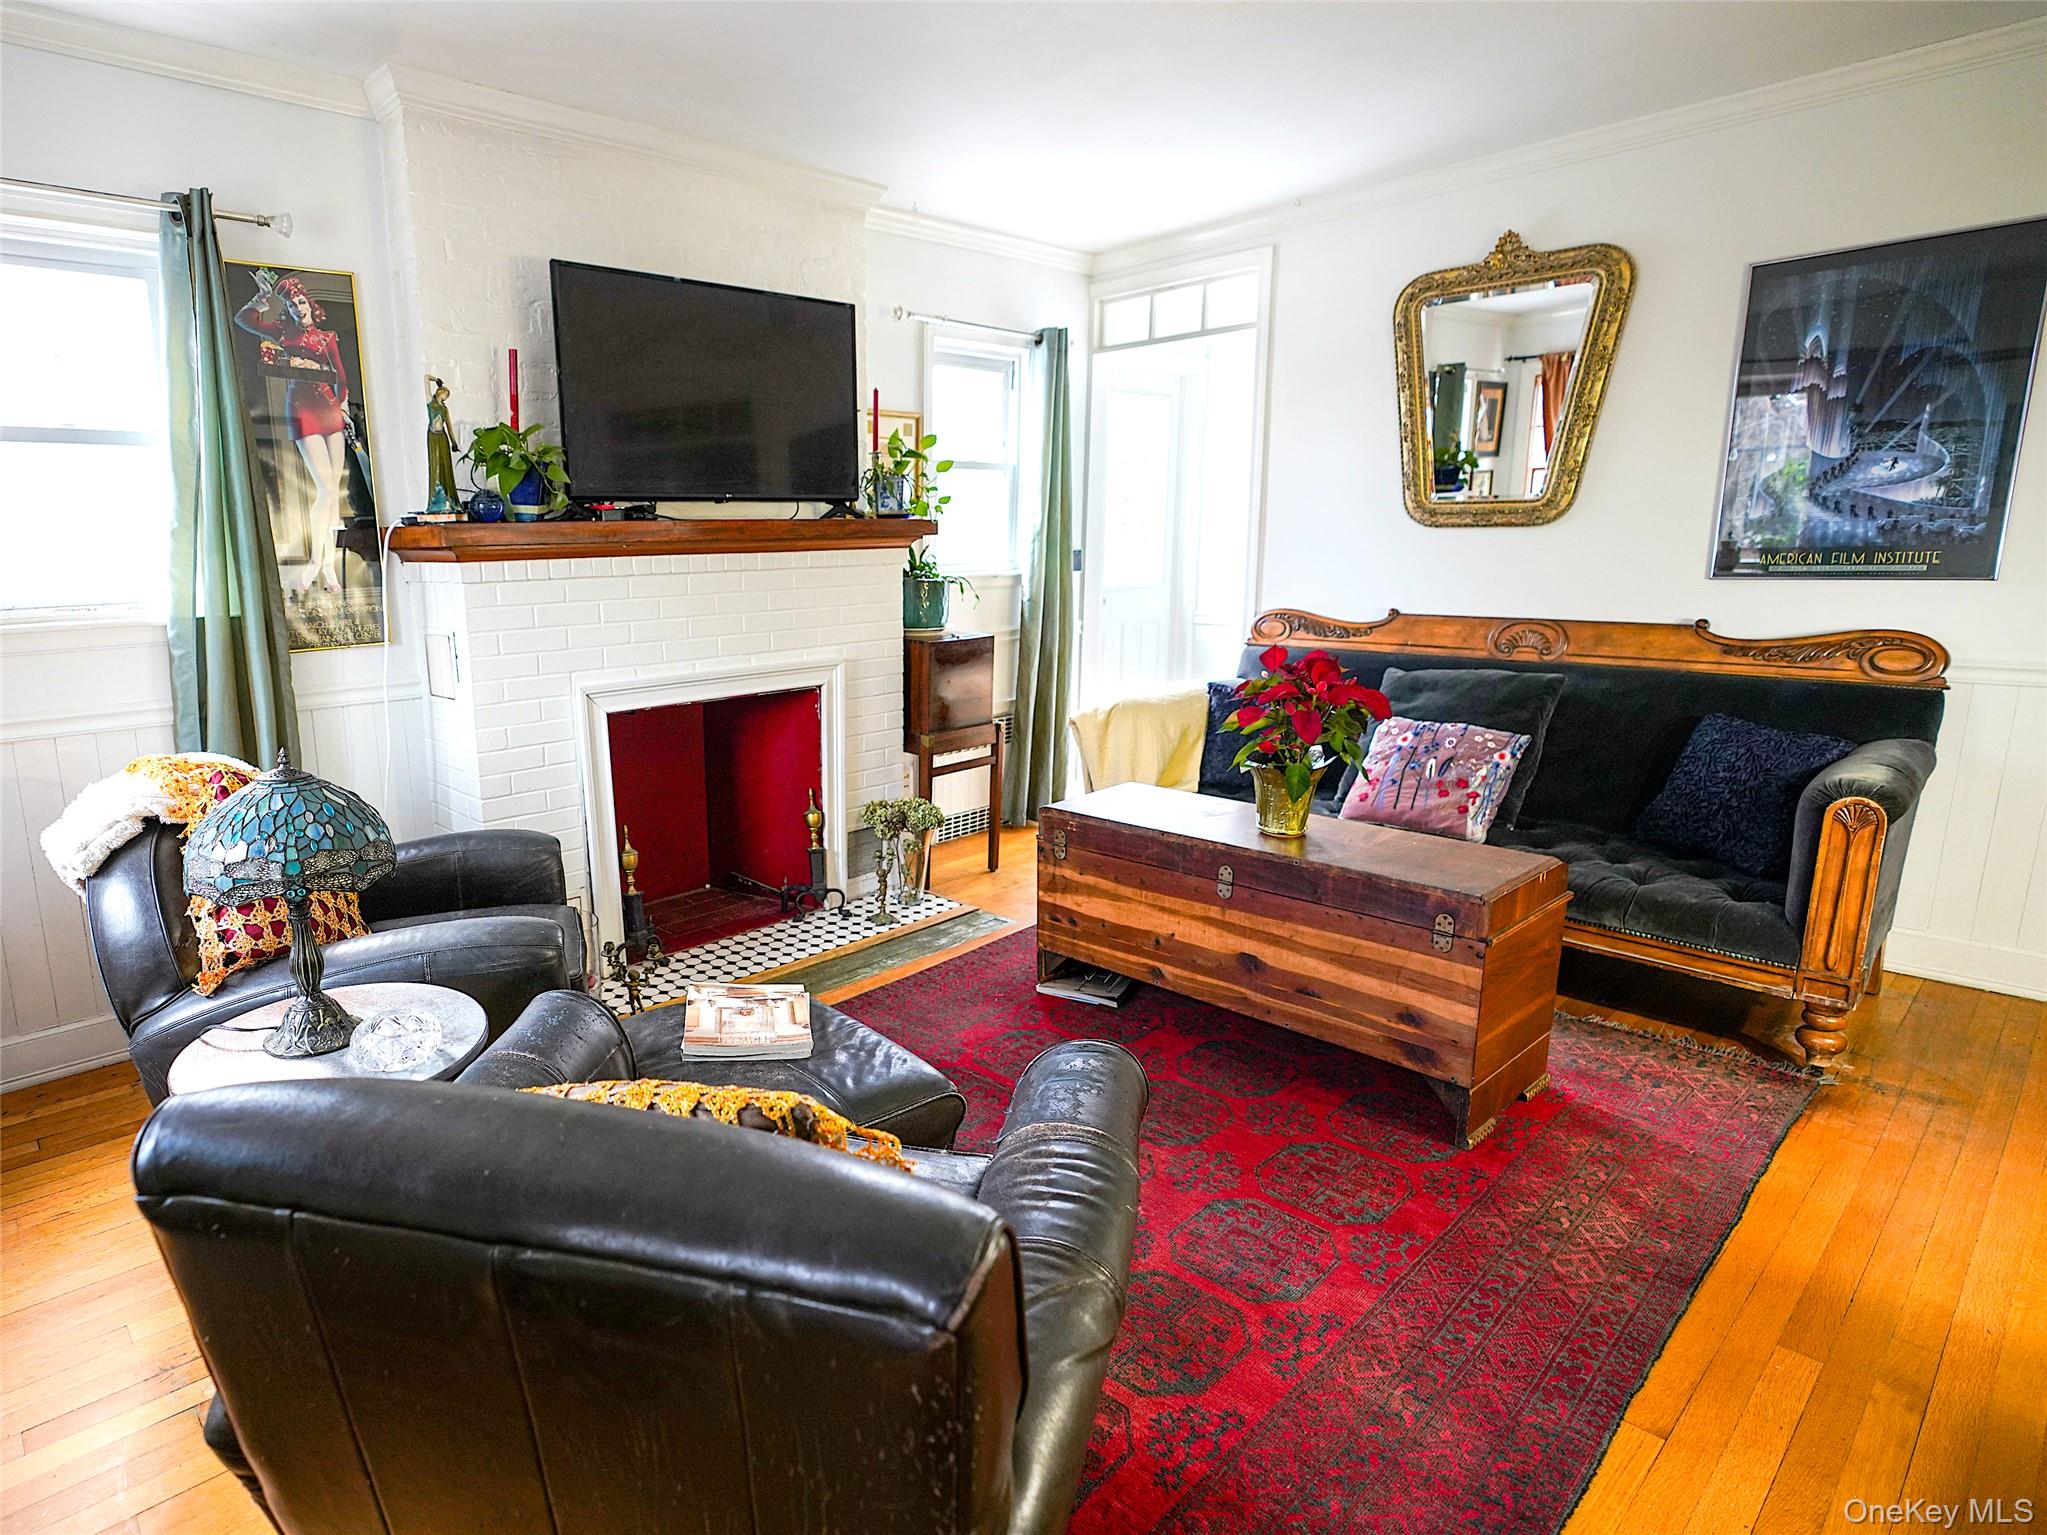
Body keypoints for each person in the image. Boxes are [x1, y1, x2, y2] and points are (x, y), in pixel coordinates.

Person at [235, 271, 353, 594]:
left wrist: (341, 403)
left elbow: (341, 378)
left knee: (333, 491)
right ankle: (318, 564)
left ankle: (327, 566)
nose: (298, 307)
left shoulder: (327, 338)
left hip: (329, 408)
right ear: (286, 308)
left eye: (300, 301)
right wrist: (262, 297)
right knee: (326, 490)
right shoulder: (282, 333)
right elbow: (244, 319)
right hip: (302, 407)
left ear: (308, 304)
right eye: (291, 303)